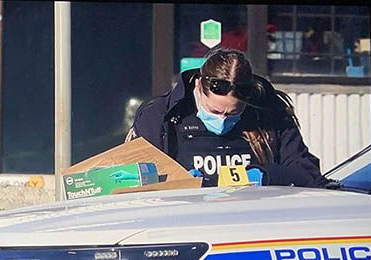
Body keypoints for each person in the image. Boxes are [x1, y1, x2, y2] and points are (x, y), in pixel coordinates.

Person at [127, 48, 330, 188]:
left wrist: (264, 176)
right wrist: (173, 183)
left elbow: (306, 171)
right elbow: (135, 179)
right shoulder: (159, 116)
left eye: (233, 114)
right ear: (199, 87)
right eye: (214, 112)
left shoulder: (269, 112)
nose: (223, 120)